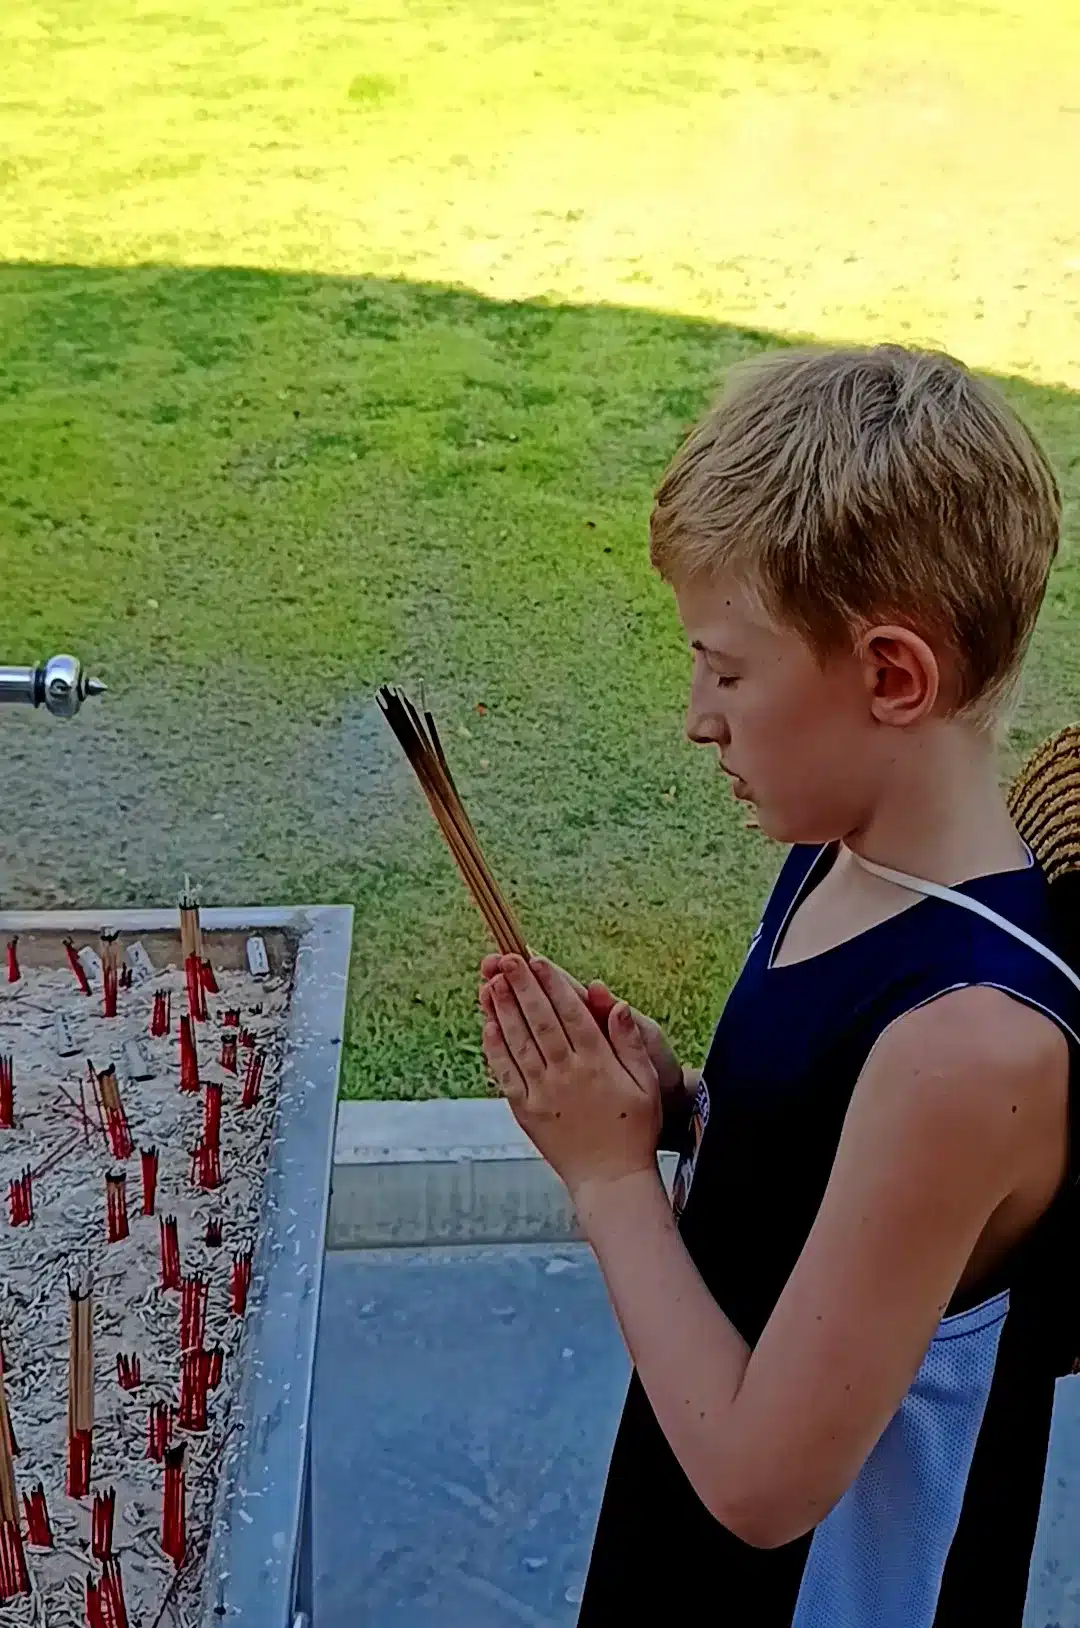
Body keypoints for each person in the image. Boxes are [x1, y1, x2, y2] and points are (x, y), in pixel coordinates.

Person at [477, 344, 1080, 1627]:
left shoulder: (972, 1045)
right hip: (686, 1507)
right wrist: (682, 1112)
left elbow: (764, 1484)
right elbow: (817, 1176)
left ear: (893, 675)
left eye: (730, 669)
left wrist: (607, 1177)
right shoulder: (838, 856)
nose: (698, 715)